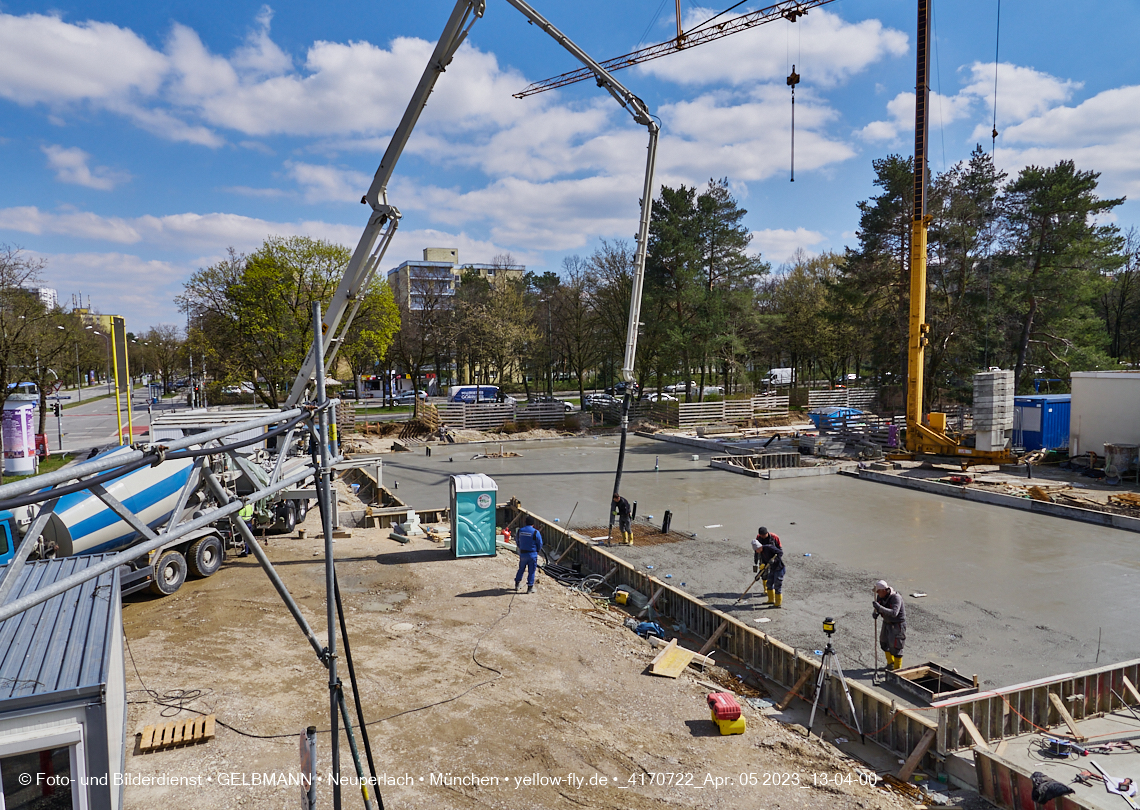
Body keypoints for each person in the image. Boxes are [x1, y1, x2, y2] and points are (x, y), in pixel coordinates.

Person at [872, 580, 907, 671]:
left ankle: (897, 670)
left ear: (884, 590)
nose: (877, 594)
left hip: (897, 624)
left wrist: (879, 608)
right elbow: (879, 608)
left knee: (896, 647)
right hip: (886, 622)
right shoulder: (880, 597)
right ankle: (890, 664)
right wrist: (876, 612)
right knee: (884, 643)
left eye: (878, 591)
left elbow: (894, 613)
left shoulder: (896, 598)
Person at [514, 517, 543, 594]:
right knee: (532, 571)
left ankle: (517, 584)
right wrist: (537, 550)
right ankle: (530, 588)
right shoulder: (535, 532)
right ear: (533, 524)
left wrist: (521, 547)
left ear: (525, 522)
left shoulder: (520, 531)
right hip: (532, 554)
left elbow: (517, 540)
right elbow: (539, 543)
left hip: (523, 554)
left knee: (521, 569)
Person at [756, 535, 785, 608]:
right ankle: (771, 600)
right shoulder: (761, 553)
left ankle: (778, 603)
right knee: (769, 584)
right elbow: (765, 565)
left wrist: (774, 560)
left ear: (759, 547)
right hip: (772, 569)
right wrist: (758, 575)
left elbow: (780, 552)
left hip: (779, 569)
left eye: (756, 550)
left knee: (777, 586)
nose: (756, 552)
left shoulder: (769, 547)